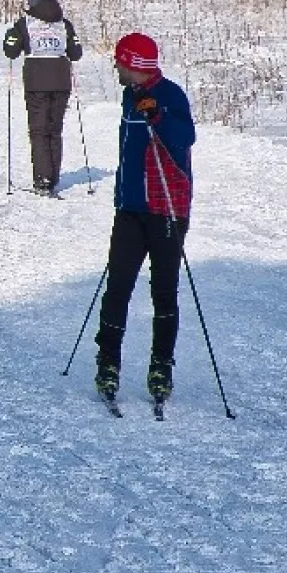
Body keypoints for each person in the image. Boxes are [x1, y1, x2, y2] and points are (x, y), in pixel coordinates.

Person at [93, 32, 196, 409]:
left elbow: (186, 137)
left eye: (119, 62)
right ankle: (108, 363)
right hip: (131, 210)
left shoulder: (169, 95)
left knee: (164, 291)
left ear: (133, 65)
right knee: (117, 287)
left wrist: (159, 117)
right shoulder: (129, 97)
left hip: (167, 208)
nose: (116, 67)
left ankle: (161, 366)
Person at [2, 0, 85, 196]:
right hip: (61, 80)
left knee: (38, 130)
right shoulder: (64, 24)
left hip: (36, 81)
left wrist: (10, 37)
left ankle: (43, 179)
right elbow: (76, 53)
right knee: (54, 130)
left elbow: (10, 50)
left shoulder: (25, 24)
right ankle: (53, 178)